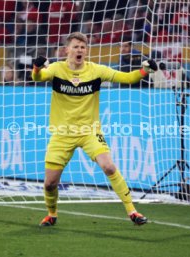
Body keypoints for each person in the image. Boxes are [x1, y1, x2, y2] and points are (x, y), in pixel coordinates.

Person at [32, 32, 157, 227]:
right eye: (75, 47)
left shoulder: (96, 70)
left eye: (83, 47)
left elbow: (127, 78)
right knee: (50, 184)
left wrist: (144, 71)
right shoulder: (56, 69)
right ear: (67, 50)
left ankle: (132, 211)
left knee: (109, 166)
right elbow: (39, 77)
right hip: (62, 133)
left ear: (86, 50)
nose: (79, 50)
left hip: (90, 131)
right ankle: (52, 213)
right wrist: (37, 66)